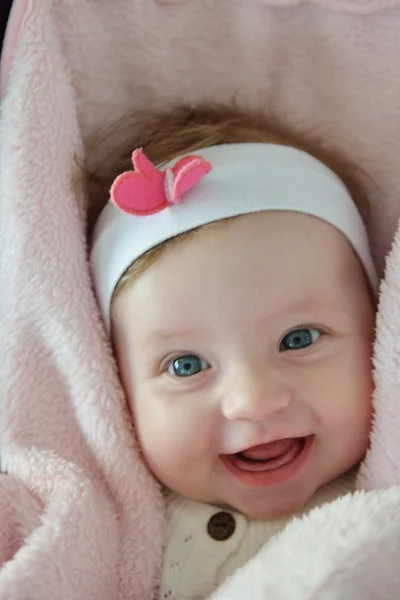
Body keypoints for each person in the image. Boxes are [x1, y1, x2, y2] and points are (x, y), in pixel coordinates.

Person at [88, 104, 377, 600]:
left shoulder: (380, 505)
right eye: (186, 365)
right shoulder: (102, 527)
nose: (254, 401)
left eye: (300, 339)